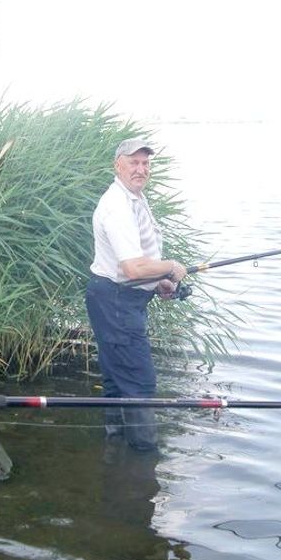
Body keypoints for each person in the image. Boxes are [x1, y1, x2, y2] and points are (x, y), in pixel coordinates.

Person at [85, 137, 187, 451]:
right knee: (140, 384)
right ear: (118, 165)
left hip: (114, 297)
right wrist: (170, 267)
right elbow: (131, 268)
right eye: (133, 162)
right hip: (117, 301)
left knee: (117, 382)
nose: (140, 169)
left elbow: (134, 263)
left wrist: (158, 282)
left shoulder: (133, 197)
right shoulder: (117, 206)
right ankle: (143, 460)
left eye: (145, 163)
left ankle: (116, 449)